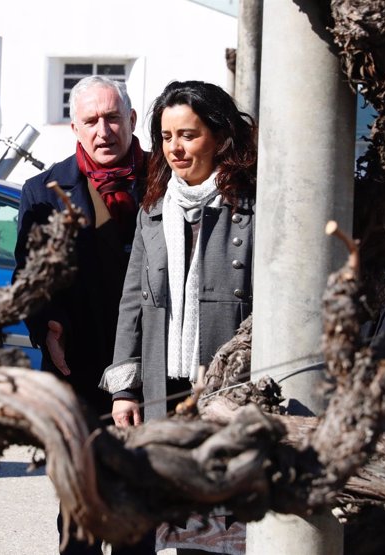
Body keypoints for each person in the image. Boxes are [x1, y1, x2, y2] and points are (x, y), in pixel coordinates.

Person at [100, 80, 256, 554]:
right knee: (179, 524)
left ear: (222, 136)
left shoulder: (251, 208)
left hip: (230, 387)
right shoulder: (154, 207)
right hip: (164, 390)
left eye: (188, 135)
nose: (175, 148)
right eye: (167, 137)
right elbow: (133, 301)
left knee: (230, 525)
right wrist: (125, 389)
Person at [14, 75, 151, 554]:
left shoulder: (165, 180)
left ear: (132, 120)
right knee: (80, 510)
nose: (103, 130)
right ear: (75, 128)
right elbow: (29, 277)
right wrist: (45, 323)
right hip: (79, 367)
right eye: (91, 121)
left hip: (155, 372)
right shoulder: (43, 191)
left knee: (140, 506)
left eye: (113, 118)